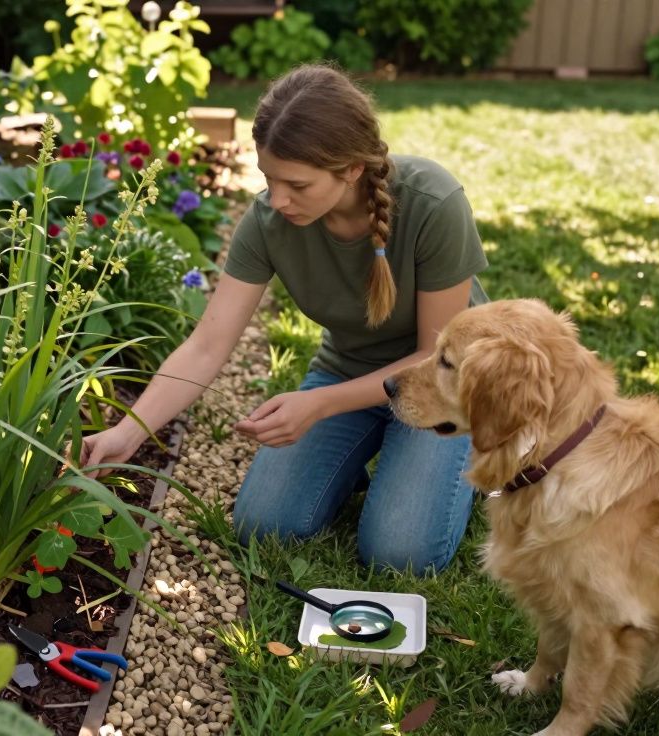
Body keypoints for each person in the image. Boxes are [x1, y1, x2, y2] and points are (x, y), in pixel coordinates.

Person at [79, 64, 489, 574]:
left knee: (398, 553)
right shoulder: (270, 222)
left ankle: (469, 452)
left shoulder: (433, 203)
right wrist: (129, 431)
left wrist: (317, 405)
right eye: (268, 179)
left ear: (352, 170)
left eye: (296, 183)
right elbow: (207, 345)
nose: (277, 200)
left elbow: (433, 353)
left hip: (441, 384)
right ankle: (372, 458)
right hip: (349, 371)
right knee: (263, 524)